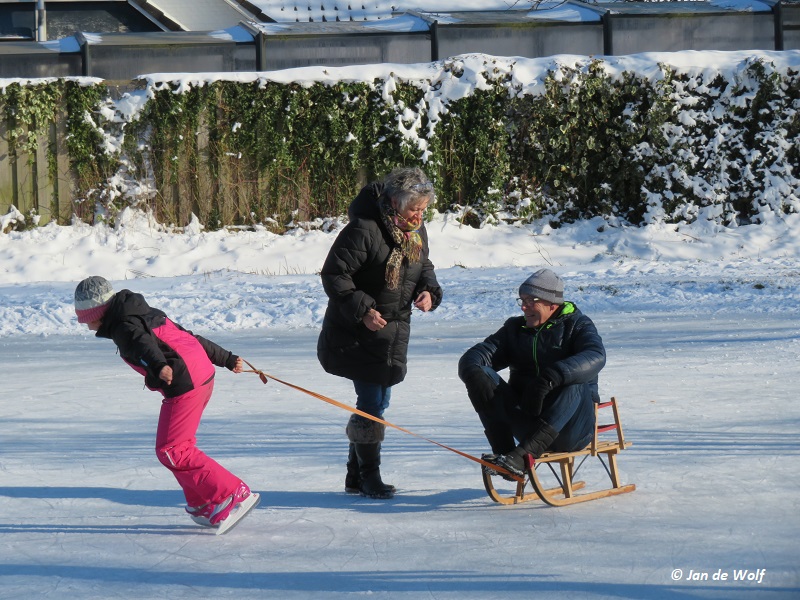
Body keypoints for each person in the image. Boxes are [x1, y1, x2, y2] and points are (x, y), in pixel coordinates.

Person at [74, 275, 258, 529]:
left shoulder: (124, 326)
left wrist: (159, 366)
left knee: (173, 449)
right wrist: (225, 358)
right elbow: (189, 337)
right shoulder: (144, 311)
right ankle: (202, 500)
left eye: (86, 318)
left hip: (185, 383)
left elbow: (143, 345)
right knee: (176, 447)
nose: (86, 325)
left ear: (98, 312)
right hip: (202, 375)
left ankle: (229, 493)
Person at [317, 167, 443, 499]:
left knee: (378, 400)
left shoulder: (415, 231)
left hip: (393, 331)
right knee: (371, 403)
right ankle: (368, 475)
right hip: (358, 330)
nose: (418, 215)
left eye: (422, 209)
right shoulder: (364, 229)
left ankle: (355, 474)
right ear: (394, 202)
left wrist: (430, 291)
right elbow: (335, 274)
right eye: (413, 208)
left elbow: (423, 267)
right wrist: (363, 309)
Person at [458, 268, 606, 479]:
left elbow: (596, 355)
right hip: (528, 421)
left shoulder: (577, 326)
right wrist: (472, 373)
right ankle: (507, 454)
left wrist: (549, 378)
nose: (524, 307)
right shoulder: (515, 329)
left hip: (572, 428)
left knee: (575, 382)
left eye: (531, 300)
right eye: (522, 300)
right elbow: (476, 356)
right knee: (478, 372)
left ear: (551, 304)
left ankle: (521, 456)